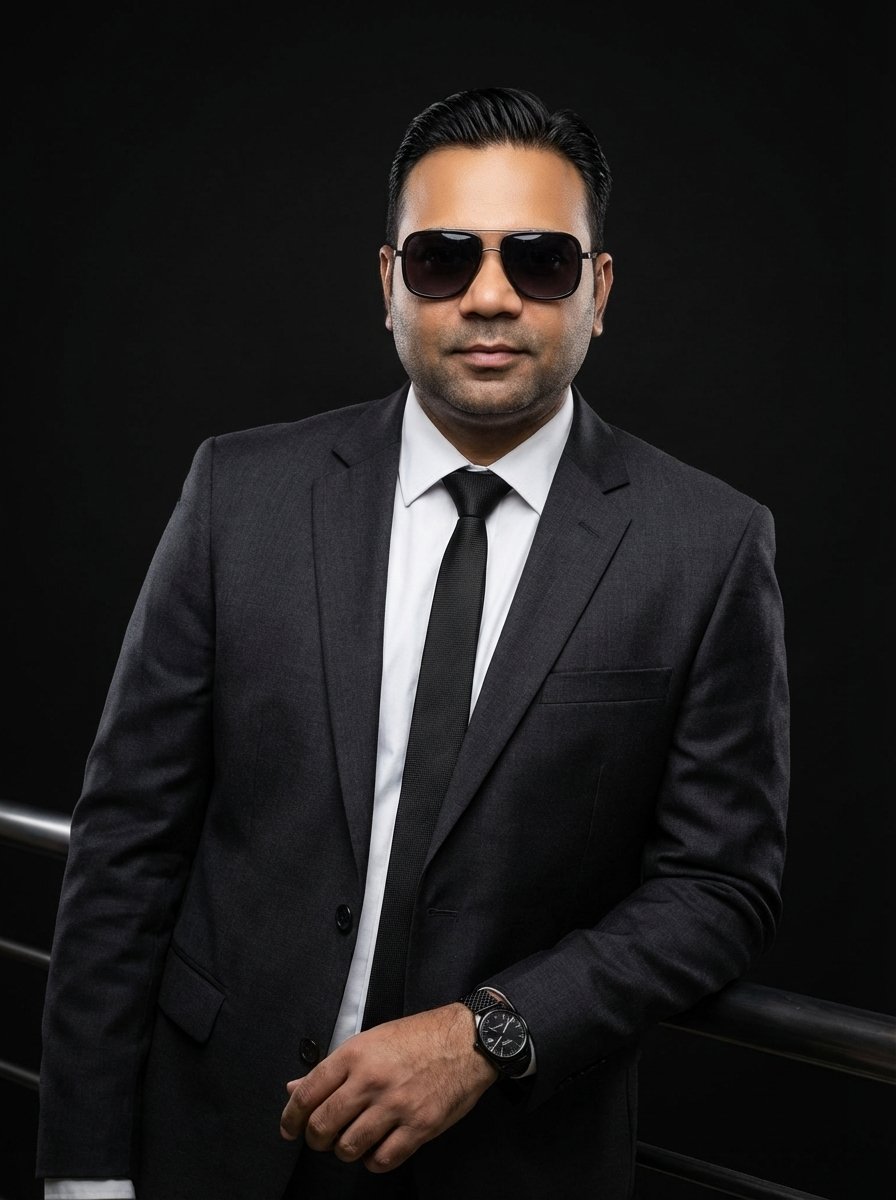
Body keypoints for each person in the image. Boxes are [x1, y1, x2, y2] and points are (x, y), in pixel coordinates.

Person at [36, 86, 789, 1199]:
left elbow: (717, 886)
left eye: (539, 261)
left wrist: (489, 1033)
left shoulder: (708, 545)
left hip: (511, 1163)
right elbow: (126, 847)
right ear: (389, 280)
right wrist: (84, 1168)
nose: (489, 297)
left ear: (598, 289)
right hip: (214, 1137)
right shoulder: (239, 494)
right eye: (444, 259)